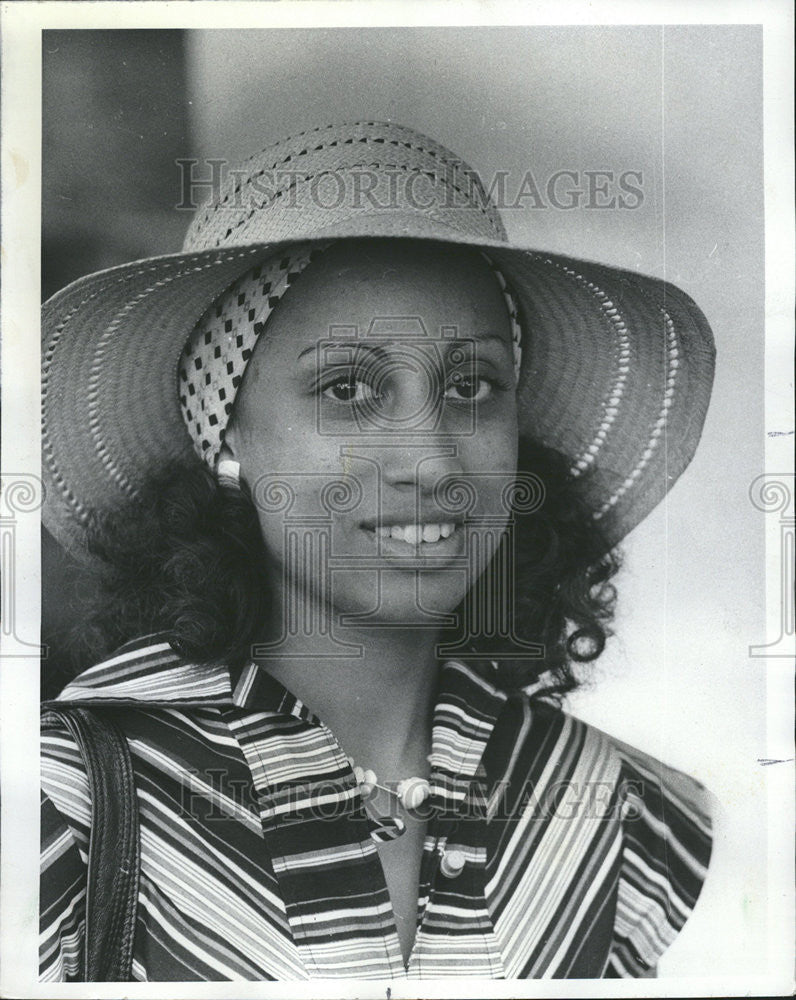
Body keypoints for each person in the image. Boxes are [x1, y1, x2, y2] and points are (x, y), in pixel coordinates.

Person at [39, 121, 716, 981]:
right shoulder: (66, 806)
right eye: (348, 390)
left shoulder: (638, 830)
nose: (432, 462)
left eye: (471, 387)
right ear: (226, 438)